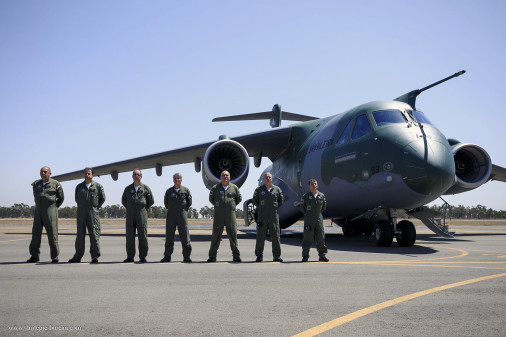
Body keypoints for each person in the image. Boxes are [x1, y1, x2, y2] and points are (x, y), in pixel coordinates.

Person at [27, 166, 64, 263]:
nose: (43, 173)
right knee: (35, 234)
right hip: (38, 211)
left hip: (50, 211)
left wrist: (54, 207)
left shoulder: (55, 184)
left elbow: (61, 197)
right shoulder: (36, 184)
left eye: (45, 172)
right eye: (41, 172)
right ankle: (34, 256)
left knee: (52, 235)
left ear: (50, 173)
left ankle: (54, 256)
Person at [68, 168, 106, 264]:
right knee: (80, 235)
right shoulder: (79, 187)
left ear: (92, 175)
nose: (87, 175)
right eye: (85, 174)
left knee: (94, 235)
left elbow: (102, 198)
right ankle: (78, 256)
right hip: (81, 214)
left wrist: (95, 207)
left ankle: (95, 256)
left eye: (89, 174)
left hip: (93, 214)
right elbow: (77, 199)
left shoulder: (98, 186)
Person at [207, 171, 242, 263]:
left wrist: (229, 206)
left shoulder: (234, 188)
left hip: (231, 215)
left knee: (233, 235)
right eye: (223, 175)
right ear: (220, 177)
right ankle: (212, 256)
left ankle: (236, 256)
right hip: (219, 216)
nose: (225, 177)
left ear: (230, 177)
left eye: (227, 175)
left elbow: (238, 199)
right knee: (216, 236)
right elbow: (212, 199)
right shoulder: (215, 188)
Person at [121, 169, 154, 263]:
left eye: (138, 174)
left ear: (141, 176)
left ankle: (143, 256)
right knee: (130, 236)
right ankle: (130, 256)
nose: (136, 176)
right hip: (130, 214)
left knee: (143, 236)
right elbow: (124, 201)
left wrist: (142, 207)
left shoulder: (145, 188)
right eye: (134, 174)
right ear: (132, 176)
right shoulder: (128, 188)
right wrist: (131, 207)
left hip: (141, 214)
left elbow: (151, 200)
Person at [161, 173, 193, 263]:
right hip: (171, 216)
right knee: (169, 237)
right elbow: (166, 203)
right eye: (175, 178)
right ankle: (167, 256)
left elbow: (189, 202)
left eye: (178, 178)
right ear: (173, 180)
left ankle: (186, 257)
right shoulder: (169, 191)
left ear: (181, 180)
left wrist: (182, 210)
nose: (177, 180)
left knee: (185, 236)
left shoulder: (185, 190)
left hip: (182, 216)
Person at [253, 172, 284, 262]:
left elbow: (280, 201)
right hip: (262, 217)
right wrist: (263, 208)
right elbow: (255, 201)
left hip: (273, 217)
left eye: (270, 177)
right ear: (263, 179)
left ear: (272, 179)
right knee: (260, 237)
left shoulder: (277, 189)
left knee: (276, 237)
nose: (268, 178)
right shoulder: (259, 190)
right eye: (266, 177)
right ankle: (259, 256)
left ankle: (276, 256)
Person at [300, 179, 329, 262]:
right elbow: (302, 208)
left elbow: (323, 207)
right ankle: (305, 256)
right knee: (307, 239)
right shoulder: (305, 196)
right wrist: (309, 215)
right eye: (312, 184)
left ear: (317, 185)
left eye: (315, 184)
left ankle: (322, 256)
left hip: (319, 219)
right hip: (309, 220)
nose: (314, 185)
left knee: (321, 238)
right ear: (309, 186)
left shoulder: (321, 195)